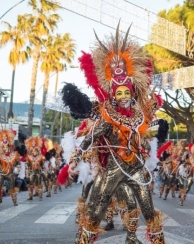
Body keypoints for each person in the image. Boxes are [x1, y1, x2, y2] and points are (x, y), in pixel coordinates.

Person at [67, 22, 166, 244]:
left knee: (149, 212)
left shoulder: (140, 116)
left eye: (126, 91)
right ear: (113, 94)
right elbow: (91, 138)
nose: (123, 95)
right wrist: (73, 161)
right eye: (118, 92)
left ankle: (135, 238)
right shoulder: (108, 117)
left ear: (132, 93)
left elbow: (147, 136)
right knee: (95, 213)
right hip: (112, 170)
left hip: (137, 169)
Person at [0, 129, 20, 206]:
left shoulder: (13, 155)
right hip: (1, 172)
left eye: (6, 147)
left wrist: (17, 170)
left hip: (10, 173)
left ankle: (14, 201)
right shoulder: (0, 156)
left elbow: (18, 163)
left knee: (12, 187)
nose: (5, 148)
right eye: (3, 147)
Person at [25, 137, 46, 201]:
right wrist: (27, 172)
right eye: (33, 151)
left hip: (38, 172)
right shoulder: (29, 157)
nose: (34, 152)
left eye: (36, 151)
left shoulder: (40, 157)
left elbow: (43, 165)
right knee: (30, 184)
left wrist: (42, 169)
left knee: (39, 184)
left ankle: (40, 195)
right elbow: (27, 165)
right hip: (31, 172)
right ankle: (30, 196)